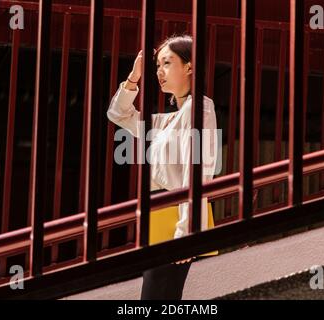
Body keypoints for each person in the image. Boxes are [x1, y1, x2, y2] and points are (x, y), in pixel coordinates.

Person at [107, 34, 219, 300]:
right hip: (159, 216)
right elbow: (118, 114)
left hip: (176, 218)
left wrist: (186, 231)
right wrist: (134, 77)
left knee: (156, 298)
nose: (159, 71)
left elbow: (199, 171)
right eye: (157, 65)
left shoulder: (200, 108)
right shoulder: (166, 121)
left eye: (167, 63)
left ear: (190, 66)